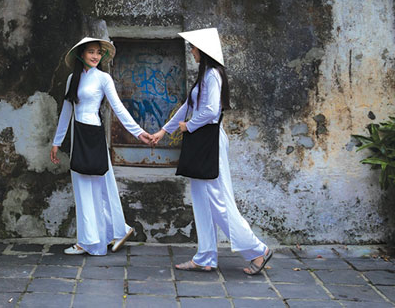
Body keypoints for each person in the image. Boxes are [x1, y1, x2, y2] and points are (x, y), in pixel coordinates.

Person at [148, 28, 273, 275]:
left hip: (209, 142)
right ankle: (205, 256)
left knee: (218, 201)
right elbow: (188, 106)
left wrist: (188, 126)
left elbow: (211, 111)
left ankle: (258, 250)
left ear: (203, 51)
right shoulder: (205, 75)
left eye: (193, 48)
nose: (191, 52)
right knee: (202, 201)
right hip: (202, 141)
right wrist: (164, 130)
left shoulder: (212, 75)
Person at [50, 37, 154, 255]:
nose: (96, 56)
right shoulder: (72, 79)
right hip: (78, 136)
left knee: (101, 188)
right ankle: (91, 239)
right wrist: (57, 142)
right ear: (81, 54)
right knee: (81, 189)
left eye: (98, 52)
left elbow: (118, 107)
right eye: (91, 52)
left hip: (94, 136)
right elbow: (66, 111)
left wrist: (138, 132)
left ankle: (105, 236)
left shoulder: (103, 78)